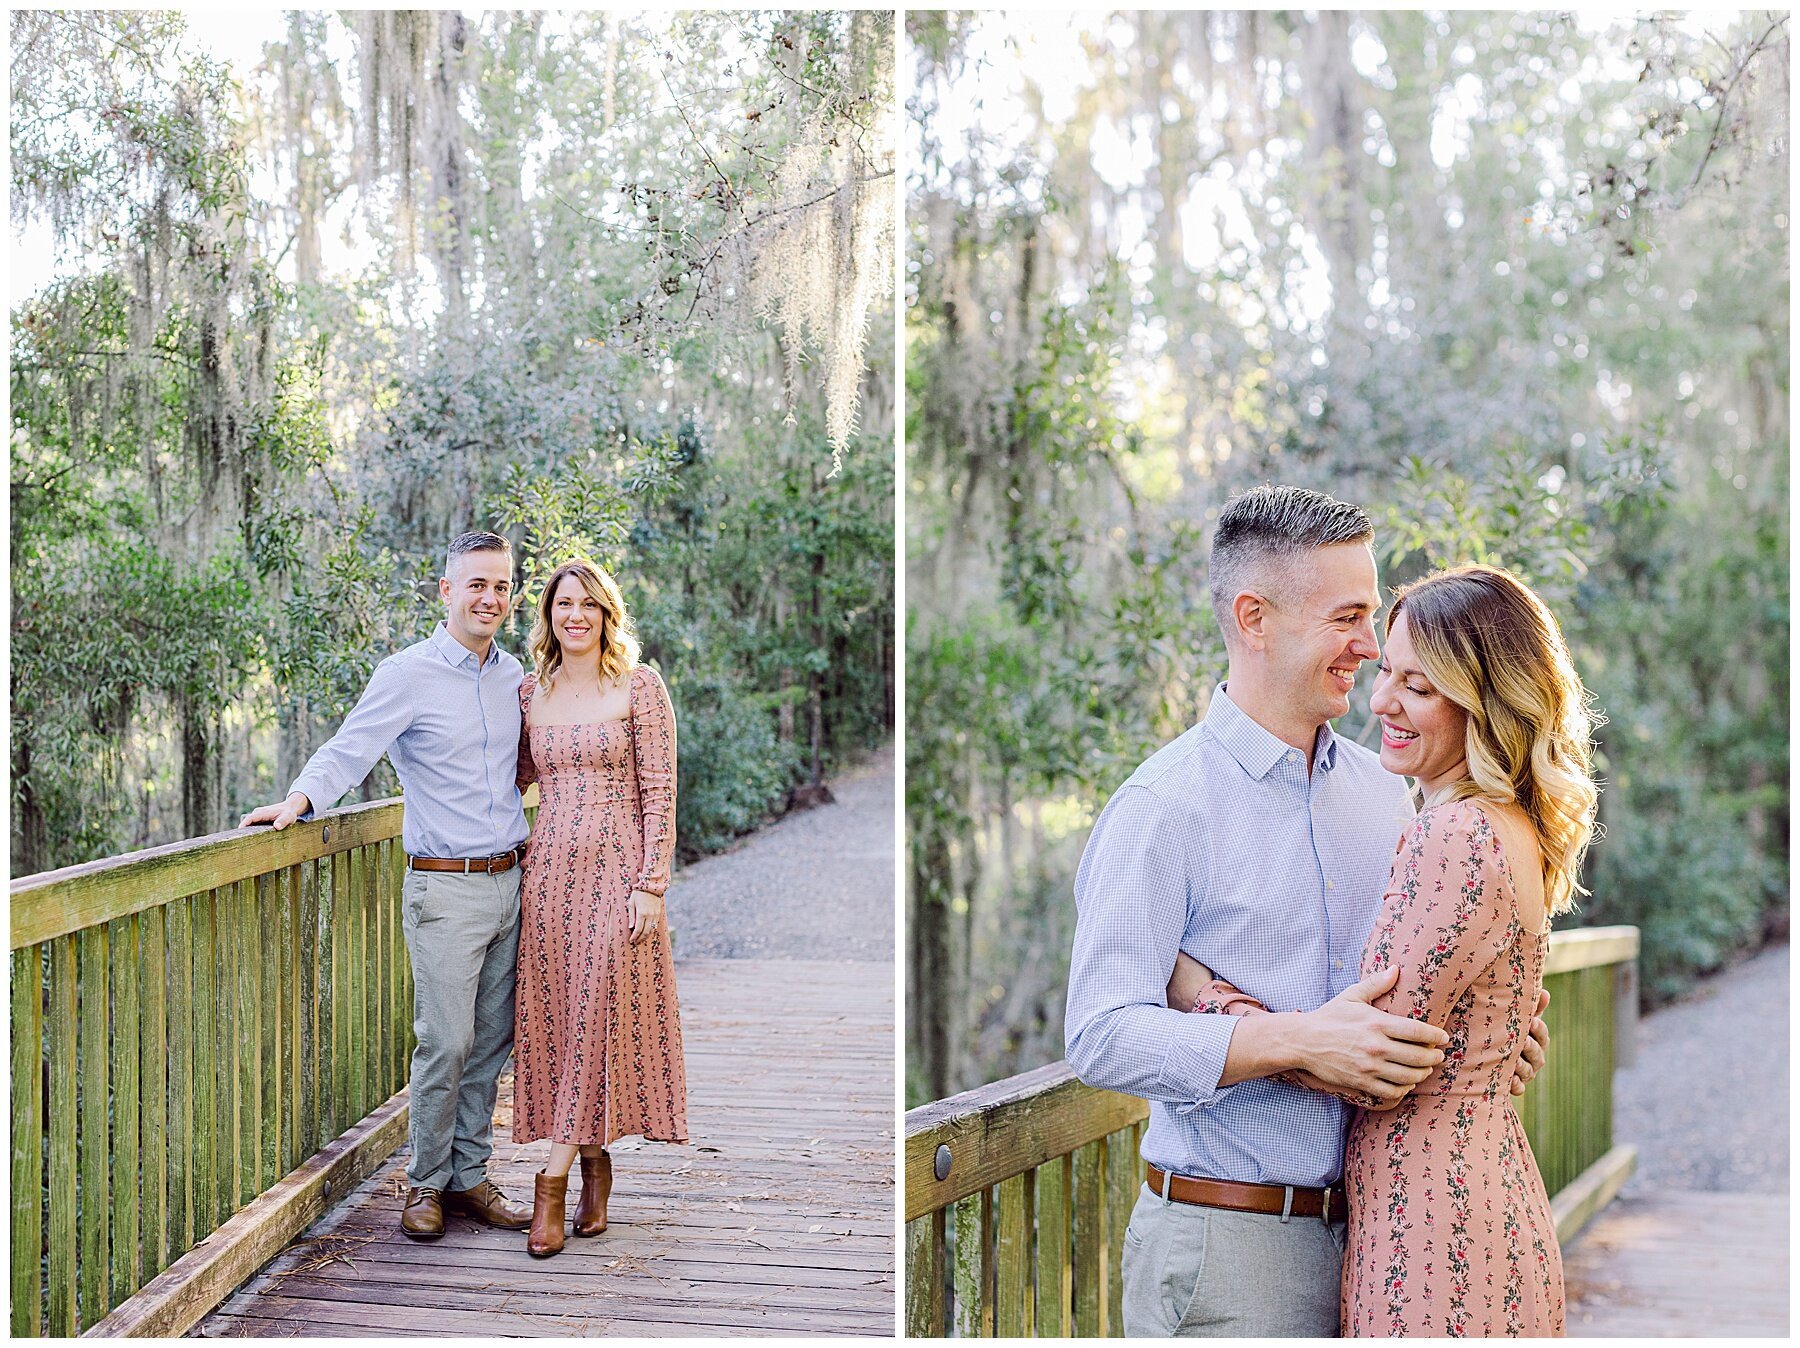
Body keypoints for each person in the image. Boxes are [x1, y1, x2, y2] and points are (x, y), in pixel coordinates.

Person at [1064, 485, 1547, 1337]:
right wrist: (1300, 1038)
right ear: (1255, 618)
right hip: (1231, 1247)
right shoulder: (1162, 807)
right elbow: (1100, 1034)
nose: (1368, 644)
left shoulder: (1389, 795)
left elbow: (1408, 1000)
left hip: (1386, 1240)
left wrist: (1490, 1032)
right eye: (1348, 617)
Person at [1172, 564, 1596, 1336]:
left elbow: (1368, 1063)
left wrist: (1200, 991)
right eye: (1387, 673)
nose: (1382, 702)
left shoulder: (1454, 834)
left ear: (1485, 701)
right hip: (1466, 1198)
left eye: (1420, 688)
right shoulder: (1502, 827)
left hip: (1434, 1232)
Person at [240, 530, 533, 1240]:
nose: (489, 598)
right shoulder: (406, 673)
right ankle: (424, 1185)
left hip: (510, 881)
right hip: (444, 889)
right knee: (446, 1041)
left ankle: (470, 1177)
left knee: (492, 1044)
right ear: (446, 591)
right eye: (476, 585)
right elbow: (350, 748)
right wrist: (299, 801)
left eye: (501, 586)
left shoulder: (513, 672)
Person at [511, 558, 688, 1258]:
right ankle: (593, 1165)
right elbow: (510, 775)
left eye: (588, 604)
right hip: (549, 874)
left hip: (618, 876)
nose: (575, 615)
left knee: (593, 1013)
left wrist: (651, 884)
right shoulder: (532, 692)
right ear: (549, 618)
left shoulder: (639, 687)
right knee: (560, 1020)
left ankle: (548, 1184)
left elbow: (660, 793)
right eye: (563, 605)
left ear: (607, 613)